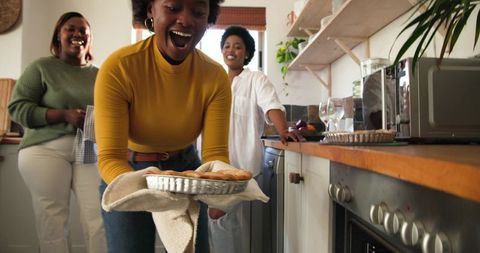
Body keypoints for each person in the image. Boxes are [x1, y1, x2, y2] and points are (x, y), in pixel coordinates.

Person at [94, 0, 229, 252]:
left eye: (198, 12)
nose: (186, 20)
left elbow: (215, 154)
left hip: (186, 172)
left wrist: (220, 189)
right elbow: (111, 157)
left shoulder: (214, 76)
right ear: (150, 10)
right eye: (173, 7)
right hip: (127, 171)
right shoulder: (119, 68)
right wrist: (147, 191)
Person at [8, 12, 106, 253]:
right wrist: (64, 115)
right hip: (44, 150)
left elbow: (112, 113)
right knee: (53, 220)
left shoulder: (100, 75)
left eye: (83, 31)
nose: (77, 34)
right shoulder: (42, 68)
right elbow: (17, 109)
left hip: (88, 148)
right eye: (70, 29)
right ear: (58, 37)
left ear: (90, 38)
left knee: (100, 217)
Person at [208, 25, 305, 253]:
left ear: (247, 53)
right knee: (219, 226)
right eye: (227, 46)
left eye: (238, 46)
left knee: (223, 220)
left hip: (240, 169)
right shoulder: (214, 81)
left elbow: (270, 104)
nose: (231, 50)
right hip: (212, 167)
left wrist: (283, 129)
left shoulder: (256, 79)